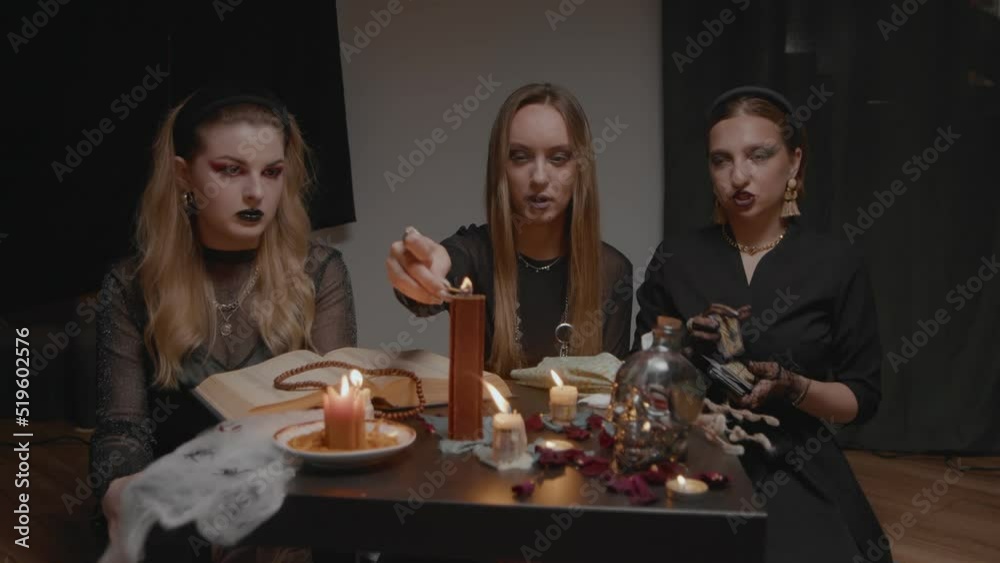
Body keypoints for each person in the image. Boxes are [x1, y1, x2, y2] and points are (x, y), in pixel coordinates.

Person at [90, 83, 357, 562]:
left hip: (293, 502)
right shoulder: (132, 285)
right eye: (230, 170)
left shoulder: (319, 272)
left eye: (272, 172)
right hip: (181, 512)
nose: (256, 191)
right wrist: (122, 487)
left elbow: (332, 419)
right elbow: (121, 429)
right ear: (183, 174)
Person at [634, 86, 889, 562]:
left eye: (759, 155)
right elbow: (639, 368)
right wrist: (683, 346)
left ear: (794, 162)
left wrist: (795, 387)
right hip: (690, 449)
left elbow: (862, 397)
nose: (738, 176)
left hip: (792, 457)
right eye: (721, 160)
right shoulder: (677, 258)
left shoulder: (836, 264)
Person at [386, 83, 633, 376]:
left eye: (558, 158)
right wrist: (418, 272)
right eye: (520, 156)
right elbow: (436, 275)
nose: (539, 177)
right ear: (500, 168)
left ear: (580, 168)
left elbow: (609, 391)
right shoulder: (474, 253)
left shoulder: (612, 271)